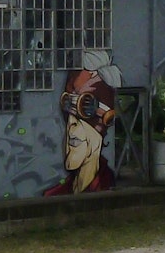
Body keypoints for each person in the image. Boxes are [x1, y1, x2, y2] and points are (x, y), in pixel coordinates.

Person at [45, 57, 119, 195]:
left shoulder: (106, 189)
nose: (71, 123)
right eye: (67, 108)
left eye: (84, 109)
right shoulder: (55, 195)